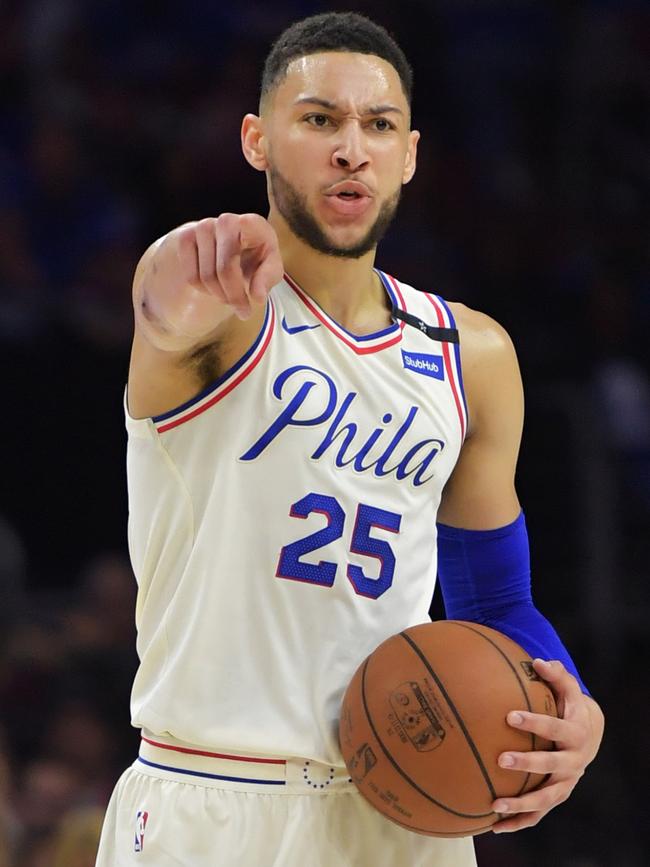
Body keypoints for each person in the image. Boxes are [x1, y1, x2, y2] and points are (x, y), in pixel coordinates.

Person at [95, 12, 604, 867]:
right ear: (257, 140)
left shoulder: (469, 355)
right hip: (212, 797)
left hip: (401, 808)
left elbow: (496, 604)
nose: (351, 149)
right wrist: (188, 256)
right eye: (320, 119)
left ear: (409, 154)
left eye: (379, 126)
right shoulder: (215, 315)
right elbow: (161, 301)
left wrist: (574, 704)